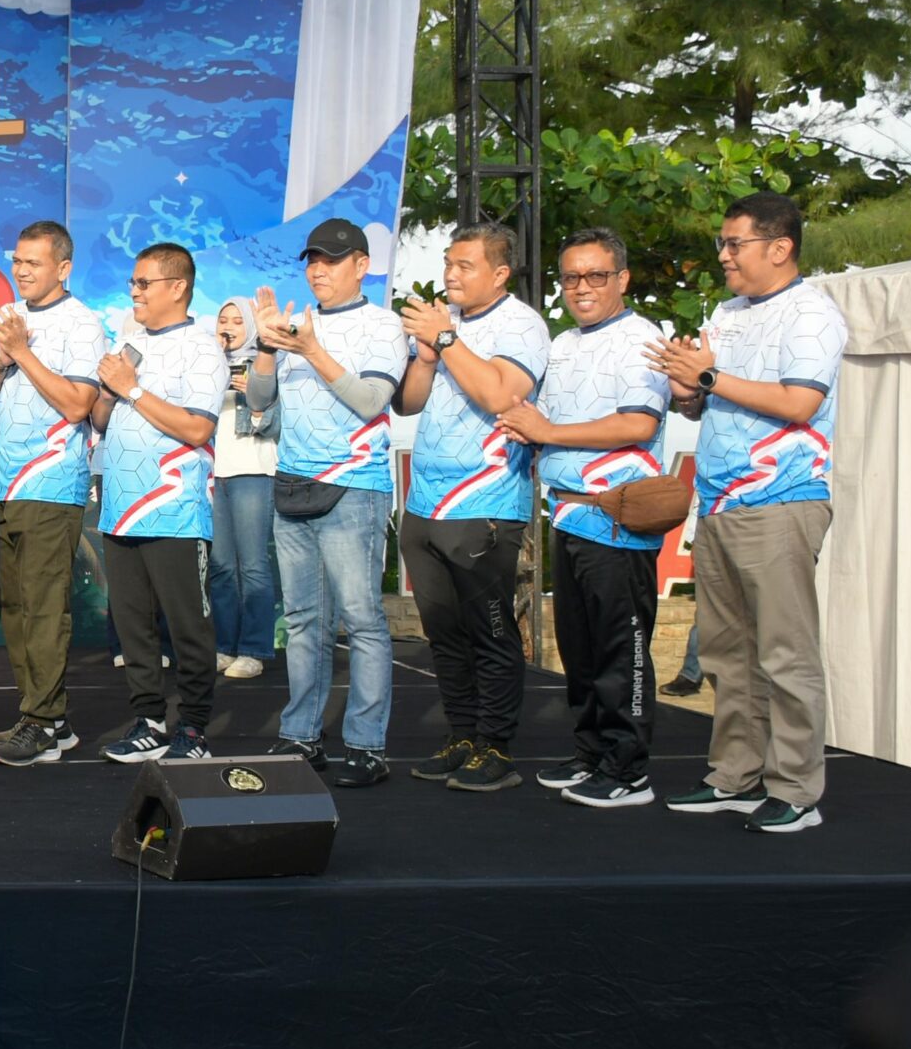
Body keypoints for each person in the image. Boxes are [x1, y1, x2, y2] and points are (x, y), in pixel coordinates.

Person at [651, 191, 848, 834]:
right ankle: (734, 776)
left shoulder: (812, 313)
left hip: (782, 500)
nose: (724, 255)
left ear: (780, 247)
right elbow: (708, 402)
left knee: (785, 655)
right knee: (726, 653)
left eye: (735, 243)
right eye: (723, 243)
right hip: (719, 502)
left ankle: (796, 790)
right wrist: (687, 390)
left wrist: (709, 377)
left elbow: (798, 403)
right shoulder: (728, 313)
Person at [494, 228, 670, 807]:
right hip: (568, 513)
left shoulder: (642, 339)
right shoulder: (564, 343)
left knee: (622, 651)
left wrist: (547, 430)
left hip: (617, 518)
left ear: (623, 279)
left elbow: (638, 423)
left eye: (596, 275)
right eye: (571, 277)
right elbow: (539, 417)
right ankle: (591, 751)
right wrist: (526, 424)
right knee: (579, 648)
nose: (582, 287)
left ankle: (629, 769)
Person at [250, 217, 406, 788]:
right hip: (293, 483)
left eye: (332, 260)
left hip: (354, 486)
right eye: (313, 260)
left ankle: (367, 745)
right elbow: (259, 402)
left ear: (362, 266)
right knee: (303, 621)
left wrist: (311, 349)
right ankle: (302, 734)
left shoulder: (382, 325)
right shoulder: (295, 325)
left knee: (362, 619)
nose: (319, 269)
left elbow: (370, 401)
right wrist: (267, 345)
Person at [397, 221, 549, 794]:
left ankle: (497, 746)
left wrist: (446, 341)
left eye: (465, 265)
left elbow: (500, 395)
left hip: (484, 501)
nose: (451, 274)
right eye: (448, 263)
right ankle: (461, 736)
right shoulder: (447, 324)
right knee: (445, 635)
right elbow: (409, 403)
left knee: (490, 632)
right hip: (425, 502)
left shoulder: (521, 324)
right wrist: (425, 357)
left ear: (500, 273)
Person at [91, 244, 226, 762]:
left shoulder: (202, 348)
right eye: (133, 282)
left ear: (177, 287)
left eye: (144, 283)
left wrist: (131, 389)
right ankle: (148, 721)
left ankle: (193, 729)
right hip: (121, 509)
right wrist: (109, 392)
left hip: (174, 510)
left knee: (188, 626)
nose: (135, 291)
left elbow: (197, 428)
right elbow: (101, 421)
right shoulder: (130, 344)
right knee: (133, 628)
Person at [0, 220, 107, 767]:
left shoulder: (83, 323)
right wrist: (0, 359)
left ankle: (44, 721)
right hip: (4, 485)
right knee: (15, 608)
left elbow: (78, 404)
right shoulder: (11, 317)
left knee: (44, 607)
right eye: (17, 261)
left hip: (51, 484)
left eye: (34, 262)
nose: (22, 271)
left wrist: (22, 353)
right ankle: (42, 717)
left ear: (64, 267)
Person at [209, 298, 279, 678]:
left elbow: (276, 422)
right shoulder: (207, 362)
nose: (229, 327)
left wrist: (255, 400)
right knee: (221, 567)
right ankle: (224, 645)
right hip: (213, 472)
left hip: (253, 471)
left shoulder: (266, 364)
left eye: (238, 321)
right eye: (224, 319)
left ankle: (253, 649)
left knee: (252, 564)